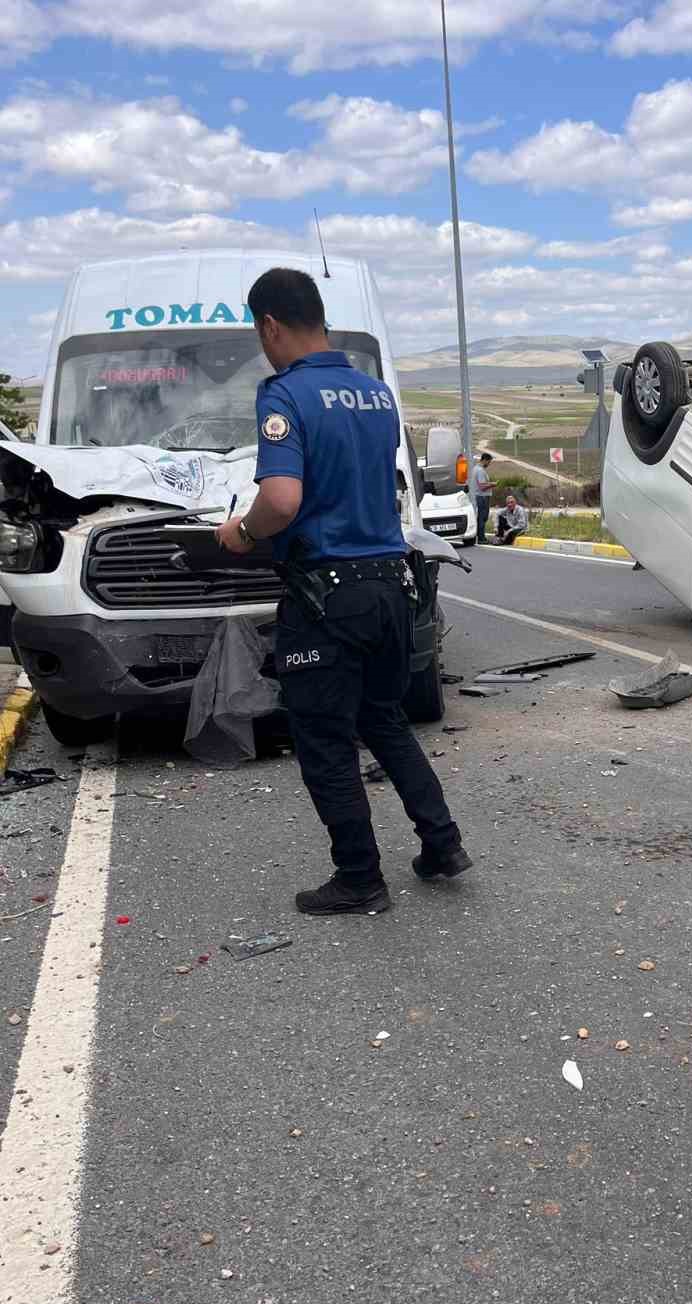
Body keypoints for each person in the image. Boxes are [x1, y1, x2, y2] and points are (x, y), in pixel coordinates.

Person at [214, 266, 470, 915]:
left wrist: (243, 533)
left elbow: (282, 497)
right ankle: (441, 843)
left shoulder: (285, 396)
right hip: (392, 587)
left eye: (258, 332)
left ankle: (360, 878)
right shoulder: (375, 393)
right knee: (384, 720)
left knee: (324, 740)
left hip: (328, 598)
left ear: (270, 325)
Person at [471, 452, 494, 543]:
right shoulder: (480, 471)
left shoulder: (475, 469)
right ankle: (481, 538)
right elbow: (482, 486)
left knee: (480, 517)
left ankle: (479, 536)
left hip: (479, 496)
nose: (489, 464)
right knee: (482, 517)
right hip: (482, 497)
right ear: (485, 460)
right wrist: (492, 484)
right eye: (489, 462)